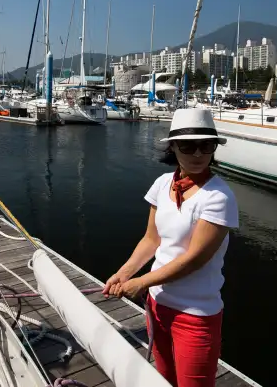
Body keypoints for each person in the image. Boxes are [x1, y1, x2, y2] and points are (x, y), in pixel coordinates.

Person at [102, 109, 239, 387]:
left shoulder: (219, 197)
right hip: (156, 306)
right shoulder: (163, 184)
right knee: (163, 379)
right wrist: (124, 273)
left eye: (206, 145)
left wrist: (141, 282)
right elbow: (151, 240)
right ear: (173, 147)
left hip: (195, 315)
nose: (198, 153)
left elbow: (193, 260)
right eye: (188, 146)